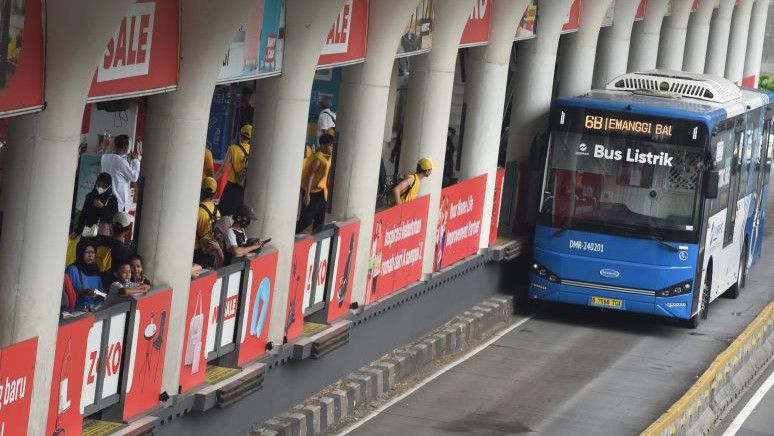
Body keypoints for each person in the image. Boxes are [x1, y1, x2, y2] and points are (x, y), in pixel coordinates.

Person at [297, 134, 333, 233]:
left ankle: (316, 240)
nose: (332, 148)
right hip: (313, 193)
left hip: (323, 193)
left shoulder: (328, 158)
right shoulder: (318, 158)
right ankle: (294, 233)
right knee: (306, 220)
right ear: (322, 145)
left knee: (320, 220)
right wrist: (307, 194)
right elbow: (310, 176)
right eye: (330, 145)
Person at [216, 124, 252, 216]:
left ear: (240, 135)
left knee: (223, 213)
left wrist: (213, 180)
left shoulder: (233, 148)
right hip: (243, 188)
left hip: (231, 186)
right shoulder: (253, 150)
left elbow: (223, 169)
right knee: (236, 214)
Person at [101, 134, 141, 213]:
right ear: (126, 147)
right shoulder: (121, 161)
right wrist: (135, 161)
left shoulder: (104, 157)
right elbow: (134, 177)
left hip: (106, 198)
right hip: (118, 201)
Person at [64, 243, 106, 312]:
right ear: (80, 253)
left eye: (93, 252)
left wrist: (101, 294)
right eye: (87, 252)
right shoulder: (72, 270)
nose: (90, 255)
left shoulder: (96, 269)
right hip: (76, 311)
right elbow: (66, 295)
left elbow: (101, 292)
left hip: (94, 310)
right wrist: (84, 292)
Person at [75, 172, 119, 237]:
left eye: (103, 186)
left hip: (103, 236)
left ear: (109, 186)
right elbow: (83, 216)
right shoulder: (90, 196)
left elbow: (114, 219)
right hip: (88, 234)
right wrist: (77, 232)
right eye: (98, 185)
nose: (100, 188)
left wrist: (102, 207)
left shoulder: (112, 199)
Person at [194, 177, 224, 269]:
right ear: (214, 193)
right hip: (211, 252)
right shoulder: (217, 211)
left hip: (196, 253)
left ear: (201, 191)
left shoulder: (196, 211)